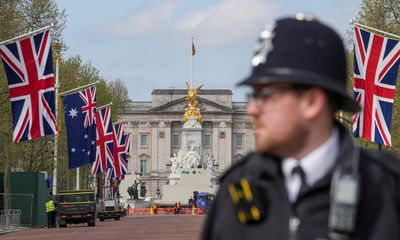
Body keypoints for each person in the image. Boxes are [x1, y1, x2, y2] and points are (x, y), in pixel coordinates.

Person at [202, 14, 400, 240]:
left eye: (265, 95)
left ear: (312, 102)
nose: (252, 109)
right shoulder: (236, 185)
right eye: (253, 95)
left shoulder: (386, 186)